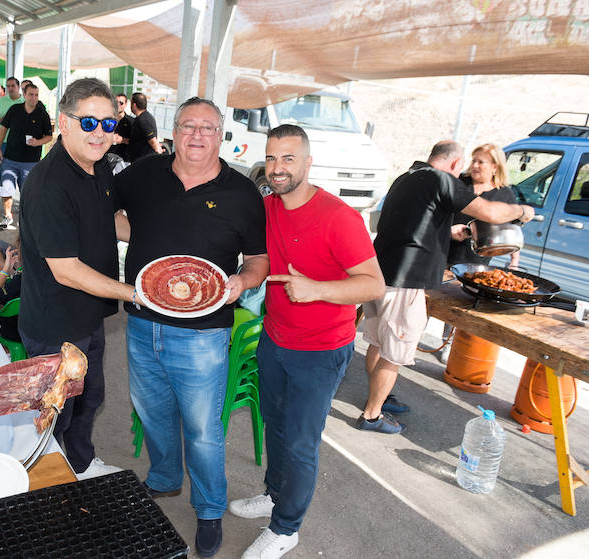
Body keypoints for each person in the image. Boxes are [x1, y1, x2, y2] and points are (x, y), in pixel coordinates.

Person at [115, 97, 268, 557]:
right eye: (187, 126)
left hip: (203, 333)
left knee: (203, 429)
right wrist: (133, 231)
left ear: (221, 135)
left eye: (207, 127)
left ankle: (209, 510)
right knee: (153, 412)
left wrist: (242, 280)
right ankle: (163, 479)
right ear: (173, 131)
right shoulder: (143, 173)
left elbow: (259, 261)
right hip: (142, 321)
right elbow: (104, 206)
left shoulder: (242, 193)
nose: (196, 135)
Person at [228, 126, 385, 559]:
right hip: (275, 339)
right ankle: (276, 494)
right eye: (272, 158)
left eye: (289, 159)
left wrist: (317, 289)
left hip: (320, 350)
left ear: (308, 162)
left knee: (301, 441)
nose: (278, 169)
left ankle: (286, 528)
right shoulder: (266, 209)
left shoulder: (339, 217)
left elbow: (374, 285)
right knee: (275, 426)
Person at [360, 140, 535, 433]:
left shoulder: (408, 177)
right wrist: (521, 211)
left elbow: (417, 222)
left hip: (381, 274)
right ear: (454, 164)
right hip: (406, 281)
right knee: (393, 354)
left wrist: (451, 232)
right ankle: (371, 416)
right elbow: (490, 213)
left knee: (378, 343)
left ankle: (379, 397)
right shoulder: (442, 179)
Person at [19, 77, 138, 483]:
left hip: (88, 315)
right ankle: (41, 481)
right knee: (55, 411)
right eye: (88, 123)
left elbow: (113, 219)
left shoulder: (98, 166)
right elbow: (65, 269)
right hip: (55, 325)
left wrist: (160, 248)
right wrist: (134, 292)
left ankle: (82, 464)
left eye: (108, 123)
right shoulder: (49, 183)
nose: (100, 132)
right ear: (63, 123)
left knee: (90, 398)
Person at [438, 143, 519, 363]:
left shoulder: (504, 195)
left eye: (480, 162)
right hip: (442, 248)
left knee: (457, 303)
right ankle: (413, 332)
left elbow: (513, 229)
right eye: (473, 160)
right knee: (428, 295)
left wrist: (514, 261)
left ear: (495, 167)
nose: (474, 166)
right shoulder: (459, 184)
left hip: (473, 259)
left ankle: (448, 342)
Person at [0, 83, 53, 229]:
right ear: (24, 95)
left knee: (27, 191)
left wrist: (37, 142)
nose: (34, 98)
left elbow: (49, 136)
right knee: (6, 188)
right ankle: (7, 216)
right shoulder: (14, 110)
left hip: (31, 161)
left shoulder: (42, 114)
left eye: (36, 95)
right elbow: (3, 128)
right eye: (31, 94)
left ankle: (25, 218)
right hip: (10, 157)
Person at [0, 77, 25, 203]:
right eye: (8, 86)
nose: (10, 88)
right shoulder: (1, 101)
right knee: (1, 168)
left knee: (23, 172)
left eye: (13, 86)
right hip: (5, 141)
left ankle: (24, 197)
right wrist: (2, 120)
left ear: (18, 87)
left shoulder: (25, 101)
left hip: (22, 143)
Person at [127, 92, 163, 162]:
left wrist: (160, 158)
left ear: (134, 105)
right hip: (137, 161)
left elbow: (153, 141)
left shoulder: (143, 120)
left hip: (142, 163)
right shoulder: (142, 117)